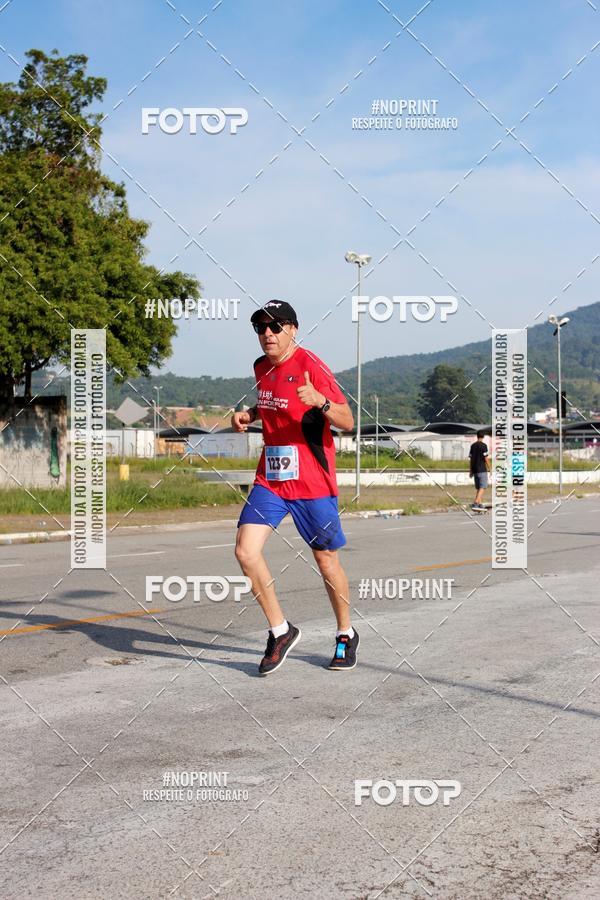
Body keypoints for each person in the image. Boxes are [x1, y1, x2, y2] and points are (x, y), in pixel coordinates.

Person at [231, 300, 358, 676]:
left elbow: (347, 420)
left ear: (293, 329)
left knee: (325, 560)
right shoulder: (260, 368)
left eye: (275, 326)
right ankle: (280, 630)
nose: (267, 334)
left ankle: (345, 633)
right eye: (260, 328)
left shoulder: (311, 366)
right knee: (245, 551)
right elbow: (269, 402)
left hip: (312, 481)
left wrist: (320, 401)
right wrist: (249, 415)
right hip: (271, 479)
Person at [469, 430, 491, 510]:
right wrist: (490, 468)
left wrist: (471, 470)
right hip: (482, 469)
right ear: (483, 437)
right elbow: (486, 458)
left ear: (477, 436)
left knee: (479, 487)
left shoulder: (473, 446)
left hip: (475, 469)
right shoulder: (483, 446)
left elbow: (471, 459)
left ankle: (480, 503)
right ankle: (475, 502)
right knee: (483, 487)